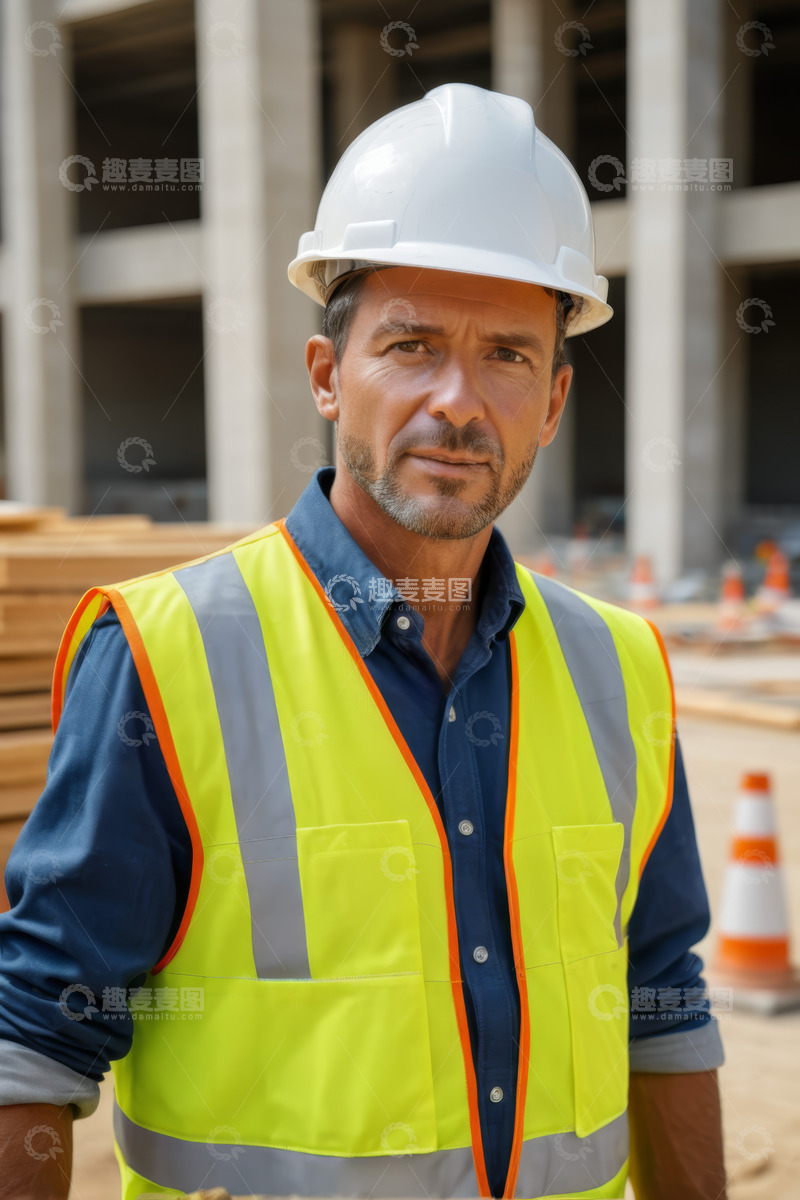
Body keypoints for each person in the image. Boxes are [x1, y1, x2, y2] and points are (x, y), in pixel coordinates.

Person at [0, 84, 726, 1200]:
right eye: (411, 345)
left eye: (507, 357)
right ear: (327, 376)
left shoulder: (618, 667)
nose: (458, 401)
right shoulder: (170, 652)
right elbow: (34, 1039)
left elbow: (661, 1000)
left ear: (554, 399)